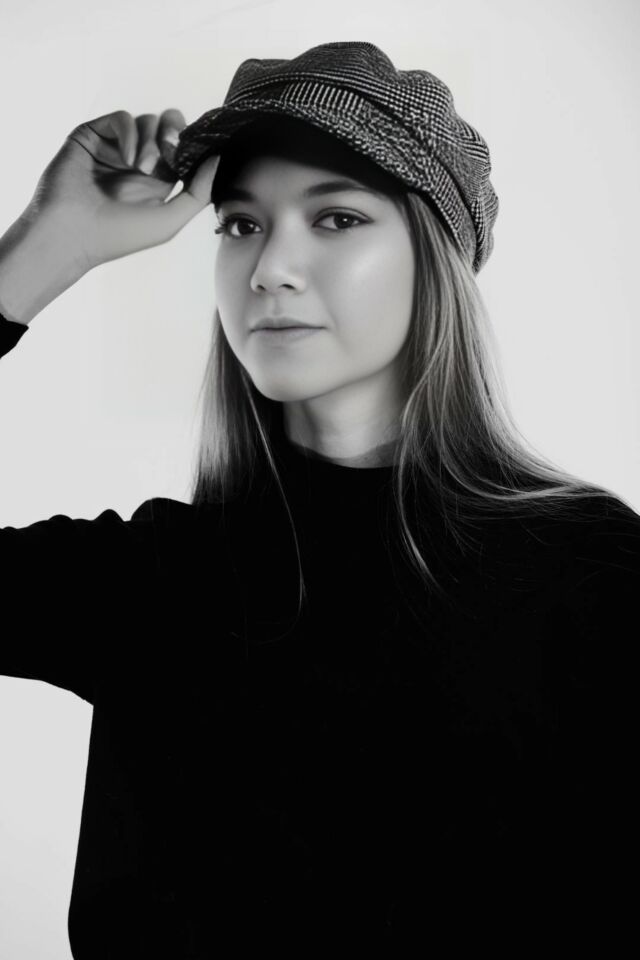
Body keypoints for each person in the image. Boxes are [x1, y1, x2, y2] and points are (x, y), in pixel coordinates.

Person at [1, 40, 638, 957]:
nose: (269, 267)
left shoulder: (592, 573)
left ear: (435, 257)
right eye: (239, 224)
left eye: (336, 218)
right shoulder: (155, 578)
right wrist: (40, 252)